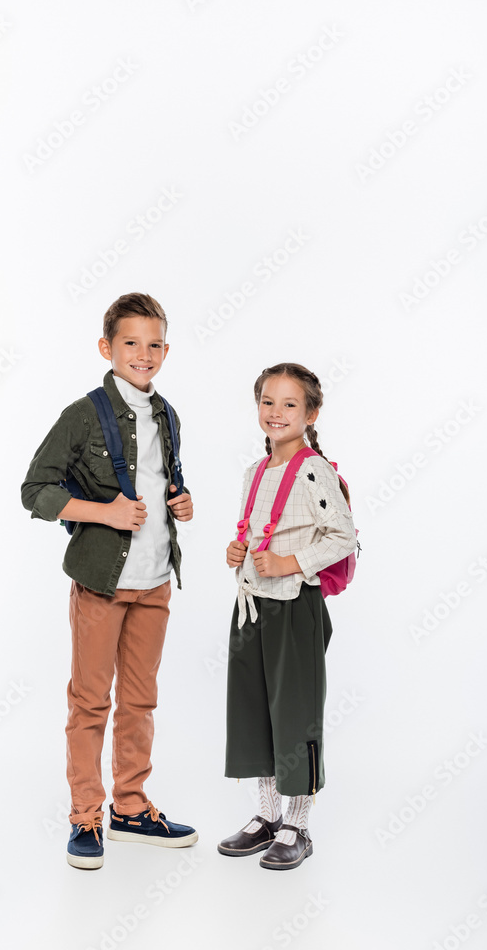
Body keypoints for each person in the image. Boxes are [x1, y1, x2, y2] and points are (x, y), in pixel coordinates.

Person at [21, 293, 198, 870]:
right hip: (102, 580)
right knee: (91, 702)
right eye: (130, 343)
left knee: (141, 700)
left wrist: (182, 501)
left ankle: (130, 807)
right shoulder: (83, 414)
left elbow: (162, 481)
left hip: (155, 582)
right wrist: (104, 513)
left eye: (153, 345)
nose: (142, 354)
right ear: (107, 348)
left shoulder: (168, 414)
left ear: (165, 352)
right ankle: (86, 817)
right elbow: (35, 491)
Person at [218, 362, 357, 870]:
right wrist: (238, 552)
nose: (275, 413)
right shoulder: (256, 471)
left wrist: (289, 563)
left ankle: (298, 824)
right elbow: (256, 533)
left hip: (295, 608)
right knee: (257, 711)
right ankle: (267, 817)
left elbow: (343, 535)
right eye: (267, 402)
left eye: (289, 404)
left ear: (311, 413)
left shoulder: (314, 469)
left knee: (295, 715)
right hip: (252, 607)